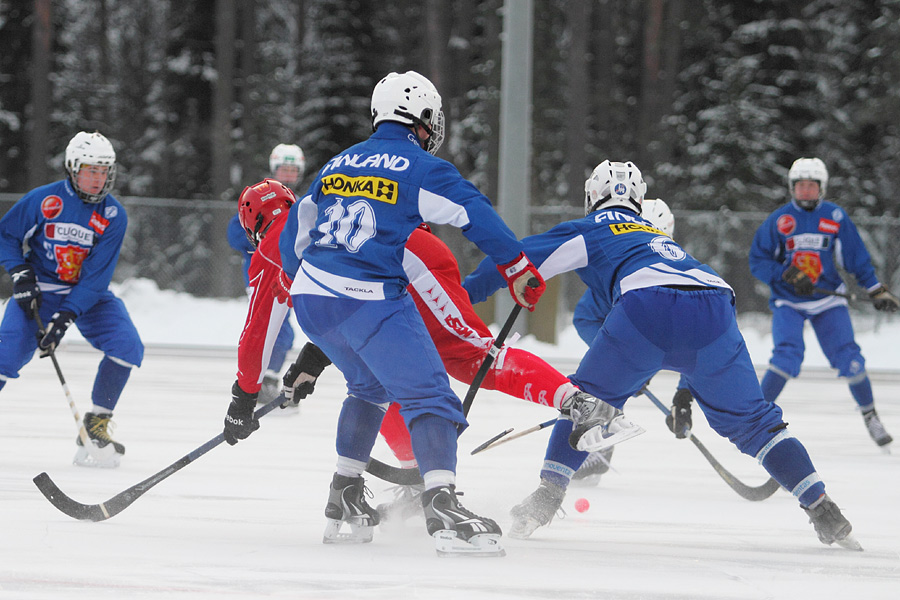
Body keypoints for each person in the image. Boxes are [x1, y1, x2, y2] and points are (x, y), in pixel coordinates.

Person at [464, 159, 861, 550]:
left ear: (592, 198)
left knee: (581, 401)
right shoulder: (658, 236)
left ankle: (544, 500)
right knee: (757, 425)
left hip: (646, 305)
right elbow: (685, 309)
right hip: (715, 302)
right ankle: (824, 509)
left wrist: (459, 301)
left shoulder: (590, 229)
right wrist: (685, 389)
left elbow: (515, 258)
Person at [283, 223, 643, 524]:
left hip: (409, 256)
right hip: (376, 271)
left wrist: (511, 267)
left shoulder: (294, 233)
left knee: (472, 357)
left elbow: (469, 209)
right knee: (381, 374)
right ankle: (421, 481)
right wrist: (312, 360)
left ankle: (580, 403)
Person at [0, 131, 143, 468]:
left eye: (104, 171)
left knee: (127, 345)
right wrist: (20, 273)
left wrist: (63, 319)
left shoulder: (113, 215)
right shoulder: (44, 200)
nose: (98, 178)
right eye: (91, 170)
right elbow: (6, 235)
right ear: (73, 168)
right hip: (42, 290)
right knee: (4, 357)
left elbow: (95, 278)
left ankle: (95, 426)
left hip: (87, 295)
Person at [749, 158, 899, 451]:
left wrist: (876, 289)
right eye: (800, 186)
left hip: (828, 300)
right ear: (792, 188)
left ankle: (870, 415)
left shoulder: (836, 217)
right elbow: (758, 260)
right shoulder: (779, 220)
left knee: (850, 359)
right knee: (786, 357)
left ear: (822, 188)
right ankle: (752, 418)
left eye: (811, 186)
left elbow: (856, 258)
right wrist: (785, 272)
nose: (806, 191)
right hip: (789, 301)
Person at [567, 199, 693, 487]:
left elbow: (696, 347)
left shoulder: (683, 279)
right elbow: (585, 318)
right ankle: (592, 453)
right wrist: (621, 359)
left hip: (653, 343)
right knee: (596, 392)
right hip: (624, 346)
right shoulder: (615, 276)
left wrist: (683, 399)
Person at [226, 144, 306, 404]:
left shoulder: (295, 201)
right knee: (278, 330)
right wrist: (264, 247)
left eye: (293, 170)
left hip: (287, 275)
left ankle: (267, 377)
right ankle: (263, 380)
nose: (288, 175)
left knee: (283, 329)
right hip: (262, 275)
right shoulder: (259, 198)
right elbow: (235, 233)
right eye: (284, 169)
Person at [222, 179, 298, 439]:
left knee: (368, 389)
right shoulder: (315, 214)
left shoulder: (270, 248)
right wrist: (315, 360)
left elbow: (258, 333)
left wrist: (242, 400)